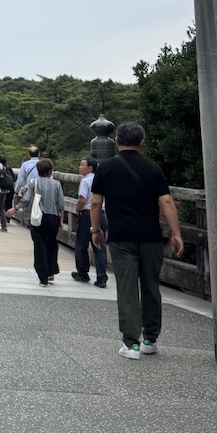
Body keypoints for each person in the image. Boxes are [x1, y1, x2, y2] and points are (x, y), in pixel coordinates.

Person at [89, 121, 184, 359]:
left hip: (121, 237)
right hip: (150, 237)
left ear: (116, 141)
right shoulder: (153, 168)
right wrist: (176, 233)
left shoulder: (106, 168)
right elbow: (167, 202)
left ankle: (131, 344)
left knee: (128, 287)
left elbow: (95, 202)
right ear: (141, 143)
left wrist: (95, 229)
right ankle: (150, 339)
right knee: (151, 286)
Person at [18, 158, 64, 285]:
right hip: (53, 218)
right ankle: (51, 271)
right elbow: (60, 204)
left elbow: (26, 199)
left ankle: (42, 276)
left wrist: (15, 208)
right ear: (50, 171)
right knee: (52, 245)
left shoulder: (33, 183)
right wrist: (61, 220)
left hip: (38, 218)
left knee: (39, 246)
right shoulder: (57, 184)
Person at [72, 156, 108, 287]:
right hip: (102, 214)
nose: (80, 167)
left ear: (90, 168)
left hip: (87, 215)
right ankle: (101, 277)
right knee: (100, 247)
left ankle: (82, 272)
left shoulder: (86, 181)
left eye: (82, 165)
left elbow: (82, 199)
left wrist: (77, 209)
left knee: (81, 245)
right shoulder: (101, 179)